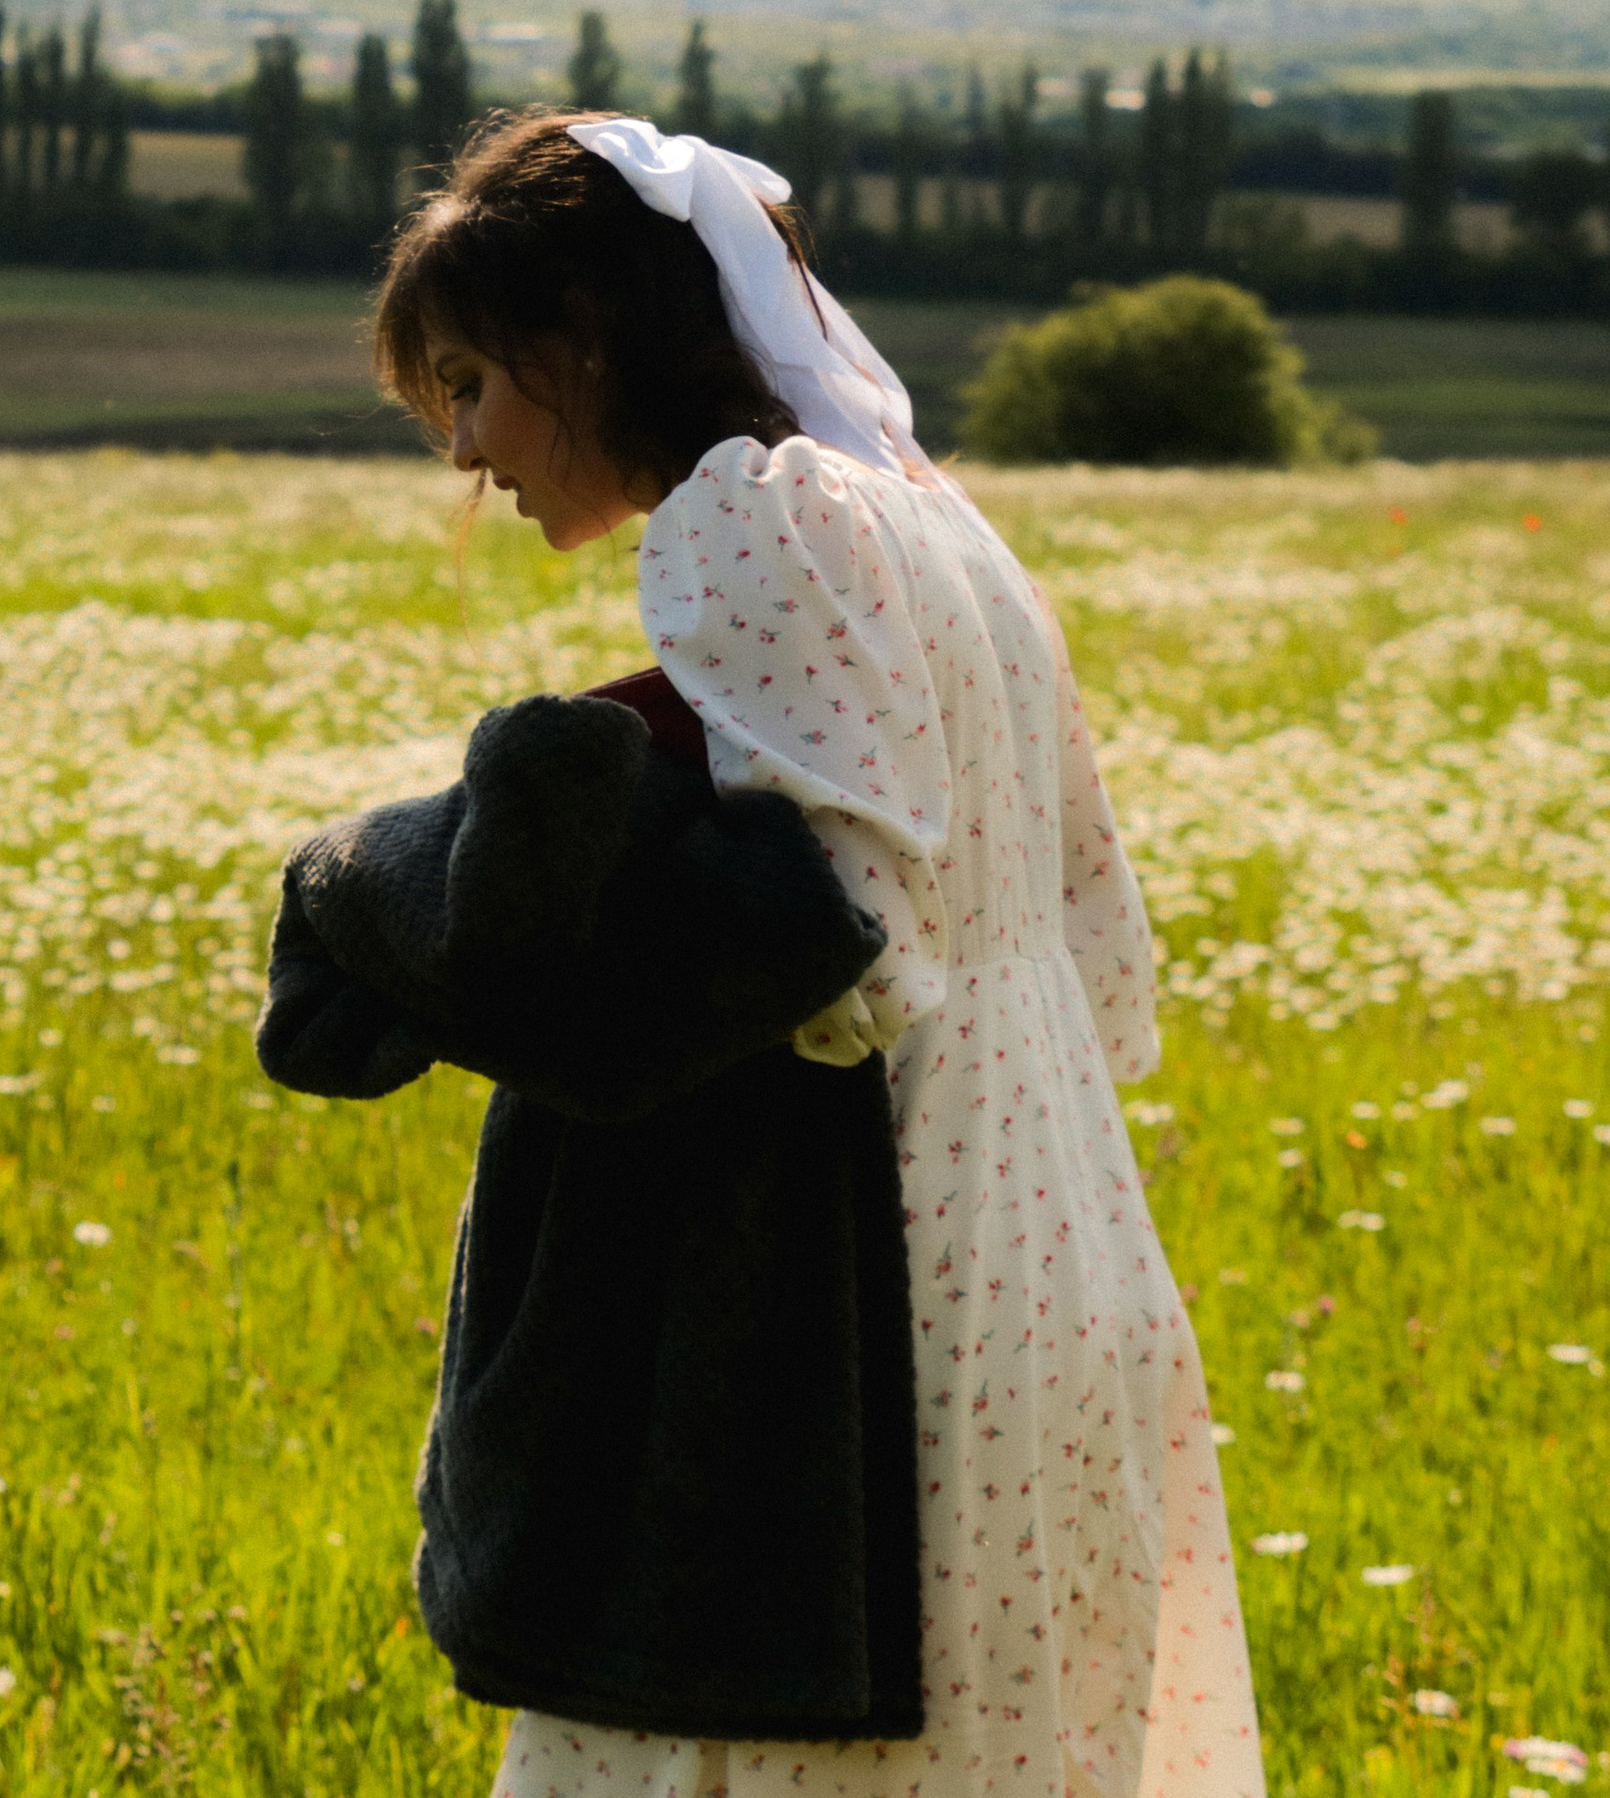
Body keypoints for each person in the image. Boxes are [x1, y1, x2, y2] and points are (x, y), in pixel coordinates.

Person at [259, 109, 1266, 1797]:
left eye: (472, 386)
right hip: (1048, 1213)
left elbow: (834, 951)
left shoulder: (752, 510)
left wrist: (429, 895)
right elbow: (1076, 913)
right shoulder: (936, 526)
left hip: (878, 1261)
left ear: (584, 339)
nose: (463, 449)